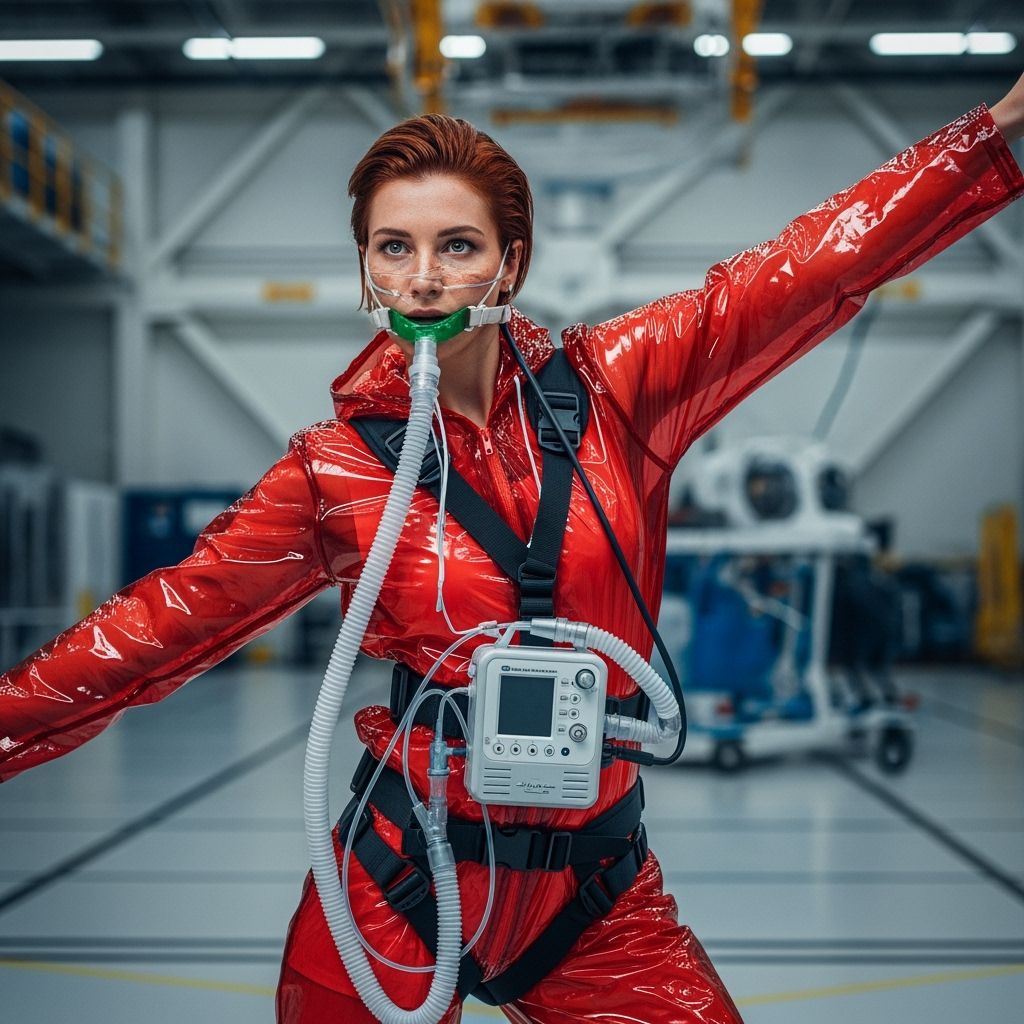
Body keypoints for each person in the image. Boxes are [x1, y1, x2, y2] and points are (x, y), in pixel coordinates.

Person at [3, 74, 1024, 1023]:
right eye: (391, 247)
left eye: (456, 245)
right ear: (364, 268)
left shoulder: (619, 391)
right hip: (399, 875)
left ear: (511, 262)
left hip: (595, 889)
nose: (424, 277)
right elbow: (153, 626)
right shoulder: (334, 471)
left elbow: (806, 271)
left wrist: (993, 134)